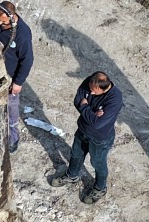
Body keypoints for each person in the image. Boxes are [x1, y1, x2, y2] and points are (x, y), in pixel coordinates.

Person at [50, 70, 123, 202]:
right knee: (76, 154)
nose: (92, 93)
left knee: (97, 162)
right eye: (90, 90)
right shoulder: (91, 81)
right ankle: (72, 176)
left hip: (100, 138)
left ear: (105, 88)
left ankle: (100, 188)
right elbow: (77, 100)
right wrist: (91, 113)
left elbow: (97, 124)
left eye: (95, 91)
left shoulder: (115, 98)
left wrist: (85, 106)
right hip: (82, 130)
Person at [0, 0, 34, 152]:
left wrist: (18, 82)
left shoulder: (22, 35)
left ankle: (13, 139)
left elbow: (27, 60)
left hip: (9, 77)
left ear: (13, 17)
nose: (0, 24)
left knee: (11, 110)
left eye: (4, 22)